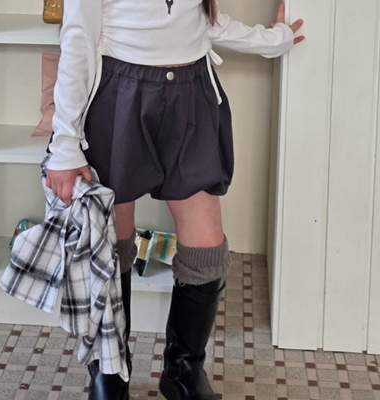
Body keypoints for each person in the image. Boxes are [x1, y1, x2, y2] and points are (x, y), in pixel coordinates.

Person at [46, 1, 304, 399]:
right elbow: (78, 39)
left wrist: (274, 40)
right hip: (118, 95)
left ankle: (183, 371)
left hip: (191, 95)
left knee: (206, 242)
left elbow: (204, 22)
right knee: (111, 242)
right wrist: (64, 146)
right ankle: (110, 371)